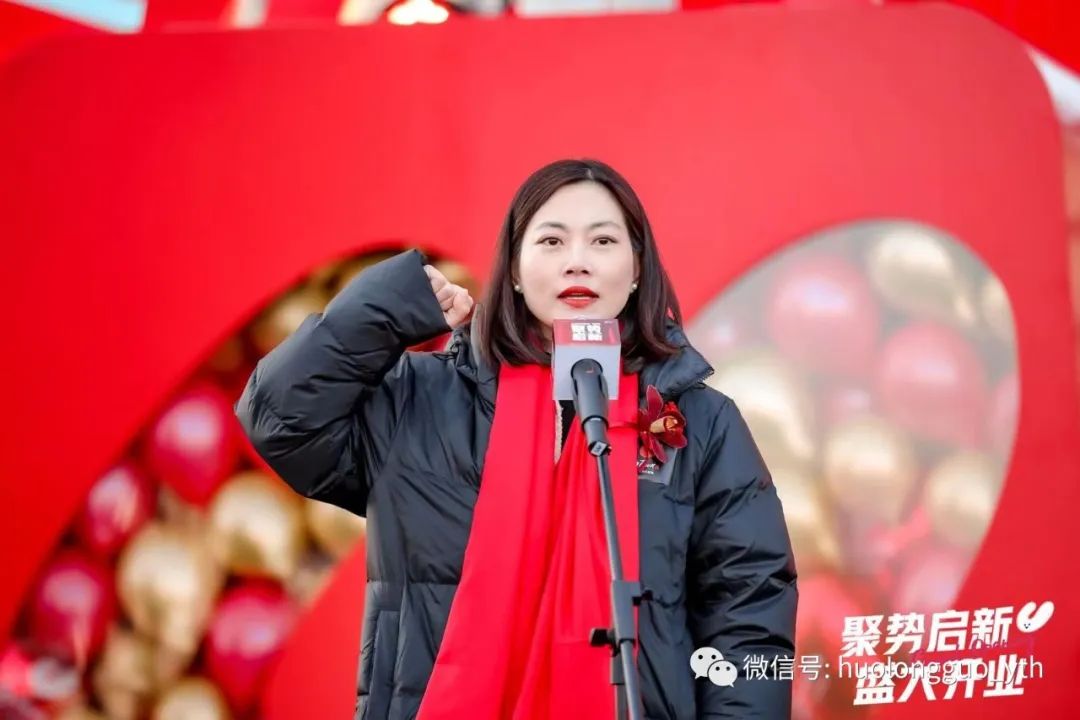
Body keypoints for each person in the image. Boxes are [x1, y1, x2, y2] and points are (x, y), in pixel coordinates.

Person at [236, 158, 798, 720]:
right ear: (513, 270)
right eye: (551, 241)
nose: (577, 261)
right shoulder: (420, 400)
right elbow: (280, 418)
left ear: (636, 270)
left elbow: (749, 608)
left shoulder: (699, 422)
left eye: (603, 241)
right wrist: (387, 307)